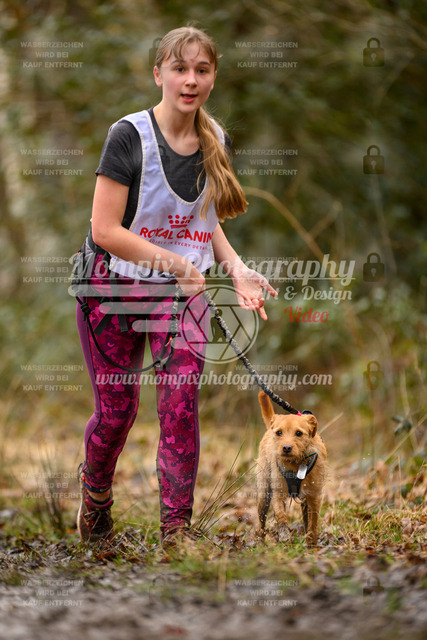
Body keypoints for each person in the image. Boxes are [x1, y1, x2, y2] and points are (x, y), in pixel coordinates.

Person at [75, 25, 277, 549]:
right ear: (158, 73)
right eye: (180, 68)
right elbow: (105, 230)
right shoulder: (128, 136)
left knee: (181, 406)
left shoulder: (216, 139)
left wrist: (236, 268)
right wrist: (182, 267)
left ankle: (175, 531)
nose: (190, 80)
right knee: (117, 413)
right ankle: (95, 497)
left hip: (178, 296)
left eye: (201, 70)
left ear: (213, 77)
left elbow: (202, 223)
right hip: (111, 288)